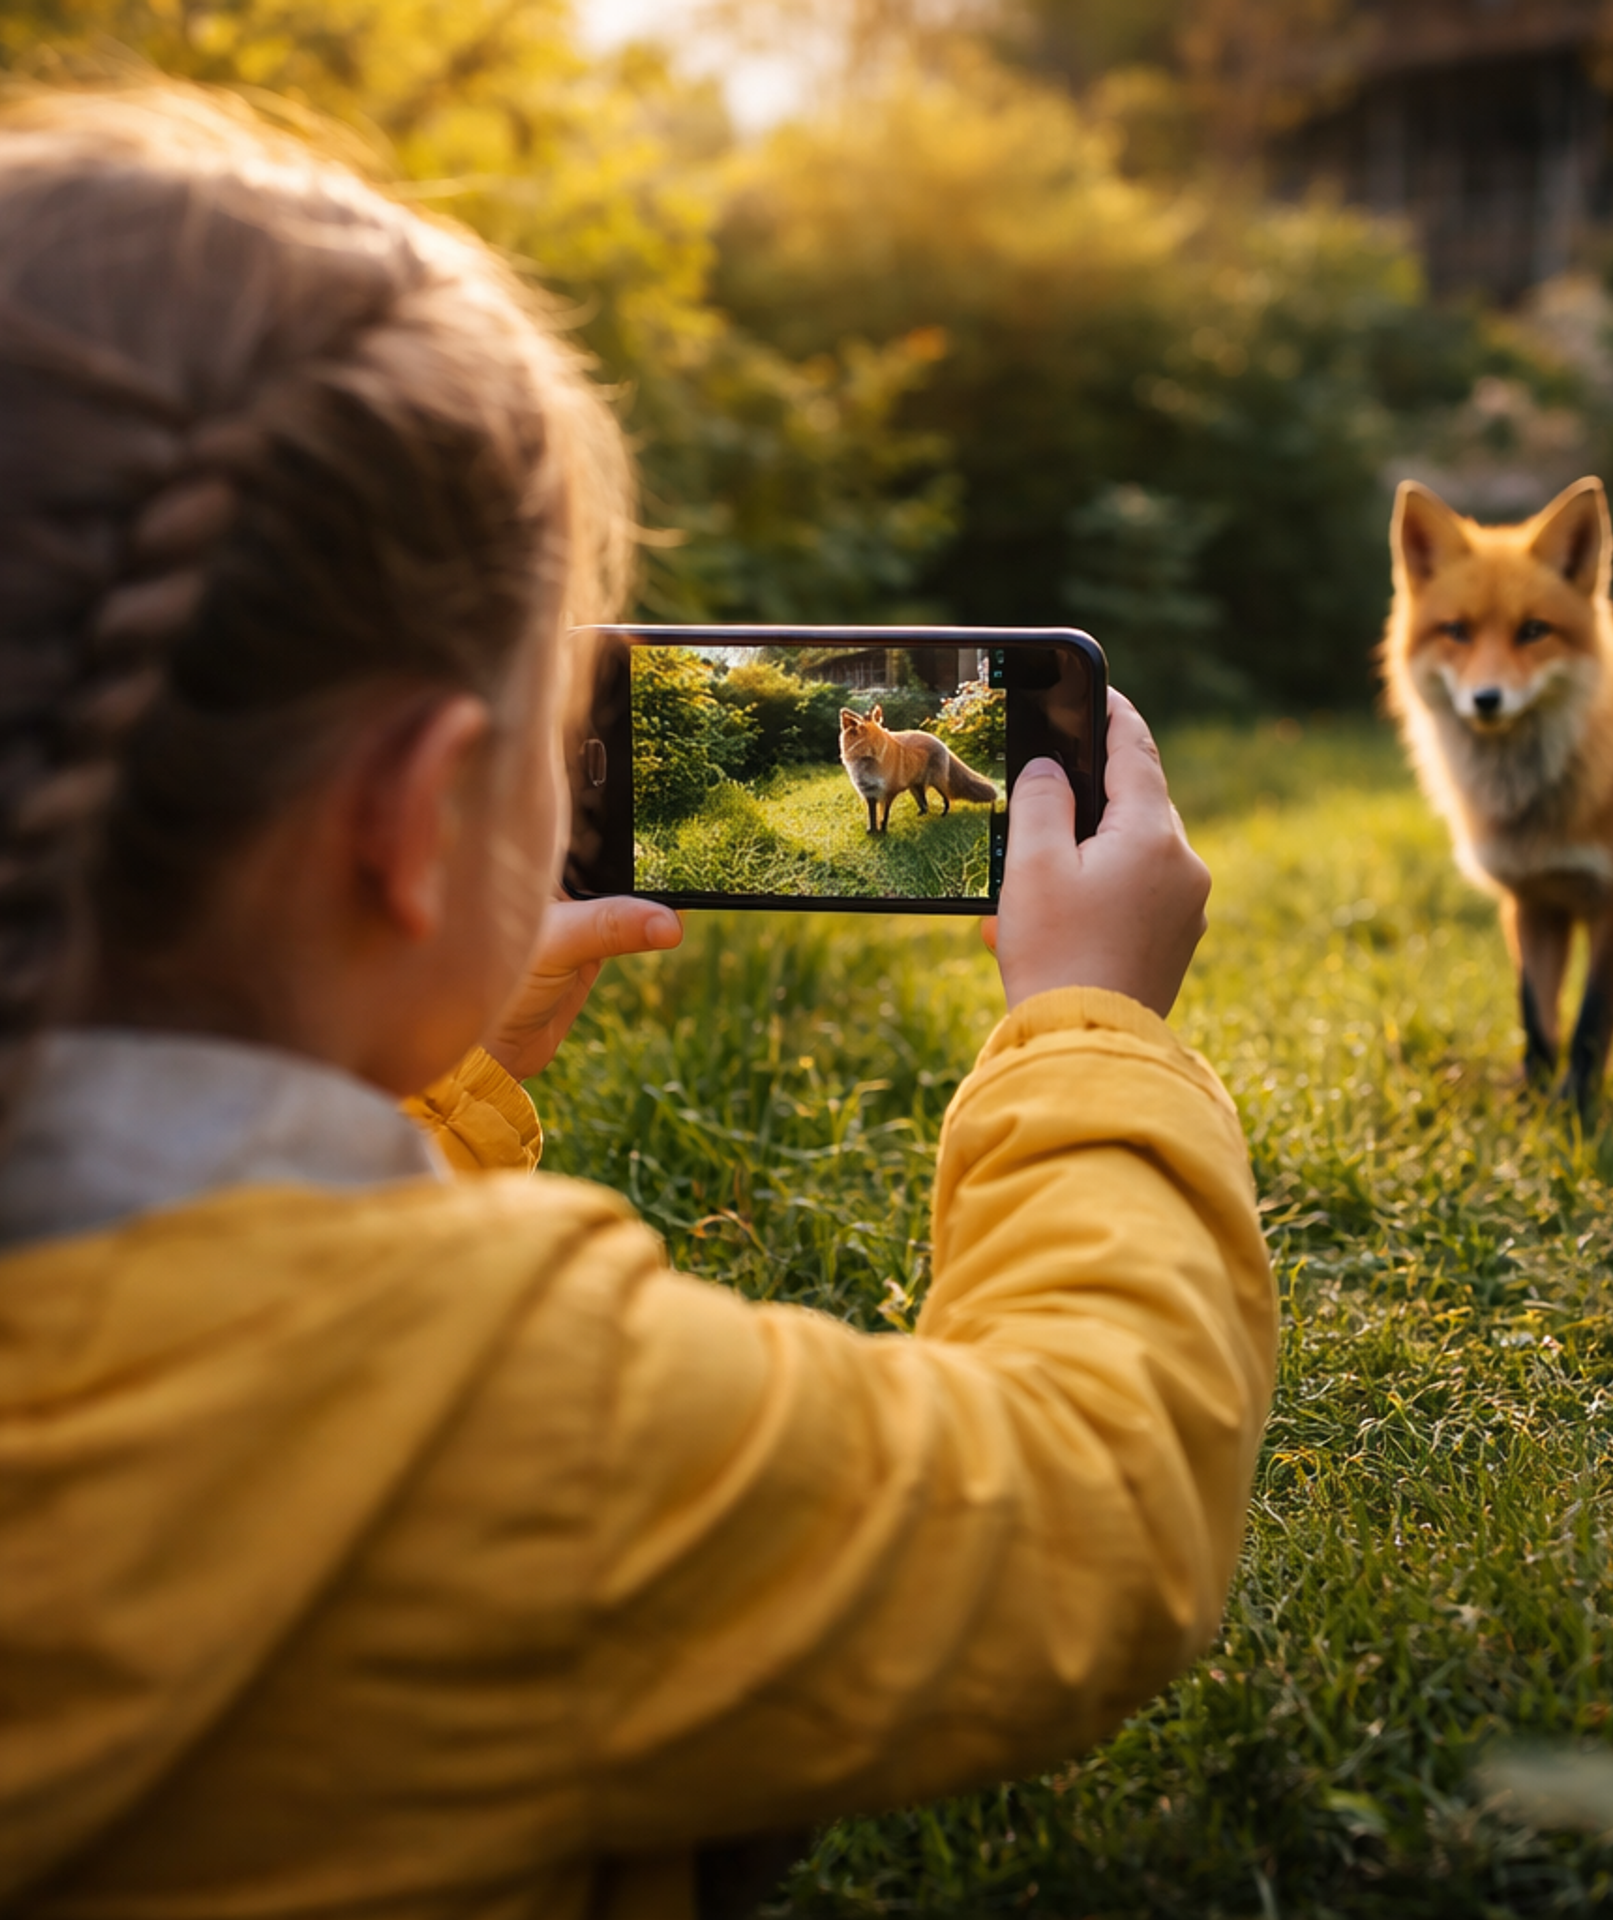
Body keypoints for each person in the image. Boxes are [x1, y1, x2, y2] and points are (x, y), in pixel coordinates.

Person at [0, 85, 1277, 1920]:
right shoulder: (515, 1433)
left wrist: (429, 1079)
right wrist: (1090, 1029)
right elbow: (1093, 1505)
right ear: (408, 825)